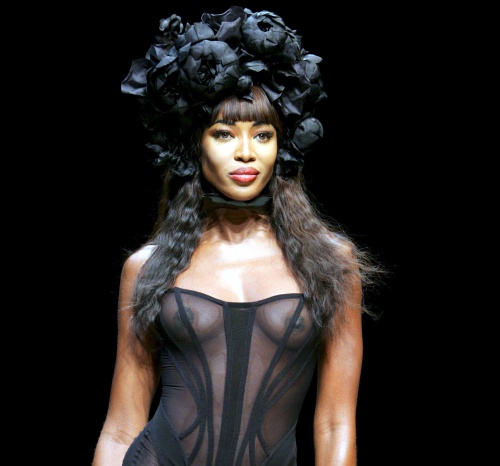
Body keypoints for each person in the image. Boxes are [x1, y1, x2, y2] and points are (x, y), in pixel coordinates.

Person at [93, 6, 381, 466]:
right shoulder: (148, 267)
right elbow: (121, 426)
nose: (246, 152)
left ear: (281, 146)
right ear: (196, 143)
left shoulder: (331, 264)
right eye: (224, 134)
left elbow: (335, 422)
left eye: (263, 135)